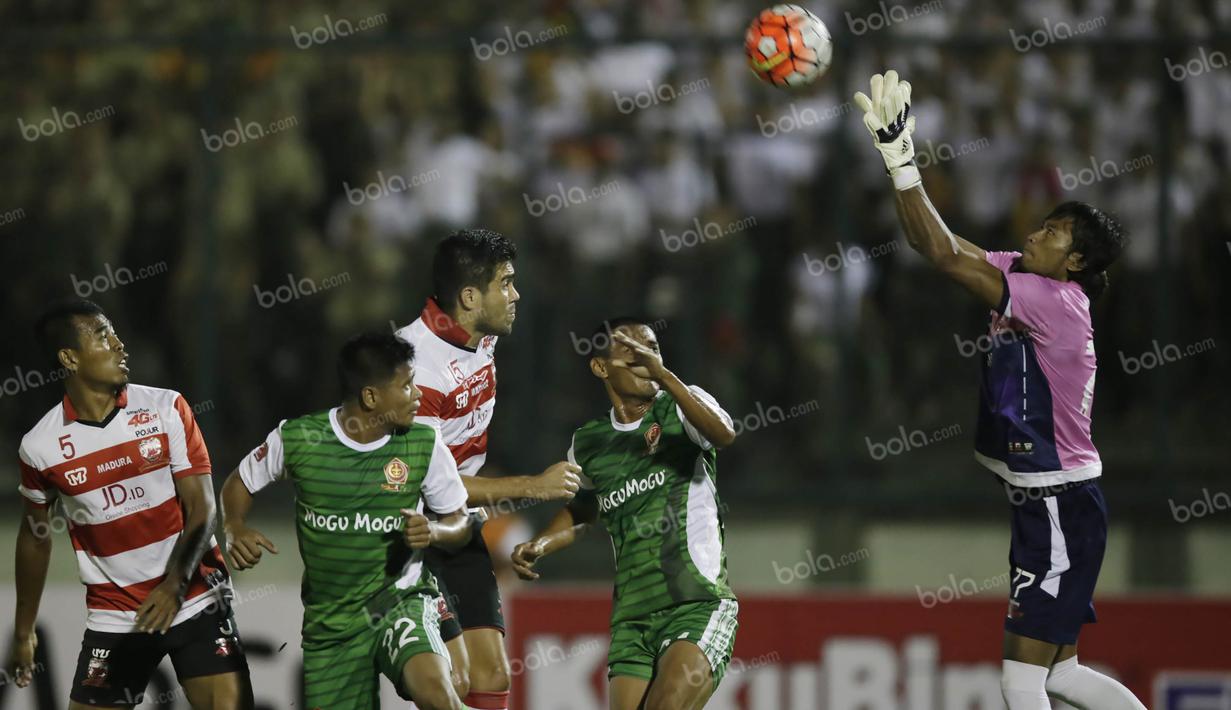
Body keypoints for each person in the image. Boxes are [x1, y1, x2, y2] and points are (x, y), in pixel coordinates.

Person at [854, 70, 1143, 710]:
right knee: (1062, 674)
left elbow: (950, 260)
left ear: (1075, 261)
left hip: (1056, 503)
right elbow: (940, 246)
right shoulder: (1033, 276)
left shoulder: (1054, 301)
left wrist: (903, 162)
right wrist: (899, 162)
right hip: (1052, 502)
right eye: (1044, 224)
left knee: (1020, 680)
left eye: (1055, 233)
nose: (1036, 233)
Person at [10, 298, 253, 709]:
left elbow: (203, 509)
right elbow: (35, 539)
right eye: (104, 336)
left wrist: (174, 583)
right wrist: (23, 632)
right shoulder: (40, 447)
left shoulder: (166, 408)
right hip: (117, 614)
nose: (121, 344)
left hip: (194, 597)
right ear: (69, 358)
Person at [219, 332, 471, 710]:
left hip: (399, 601)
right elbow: (239, 483)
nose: (418, 394)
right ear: (371, 397)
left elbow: (460, 522)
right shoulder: (299, 439)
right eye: (407, 385)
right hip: (331, 623)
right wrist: (234, 527)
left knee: (437, 693)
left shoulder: (424, 443)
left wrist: (435, 530)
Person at [395, 228, 581, 710]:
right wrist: (533, 487)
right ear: (470, 296)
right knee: (451, 682)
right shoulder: (414, 369)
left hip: (459, 527)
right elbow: (431, 484)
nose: (515, 294)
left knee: (493, 672)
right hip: (407, 532)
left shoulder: (479, 336)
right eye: (506, 283)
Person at [511, 319, 739, 710]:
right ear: (601, 368)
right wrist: (540, 543)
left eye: (653, 350)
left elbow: (724, 434)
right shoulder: (588, 443)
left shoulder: (681, 406)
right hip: (632, 616)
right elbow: (583, 510)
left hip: (695, 601)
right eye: (632, 355)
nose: (646, 361)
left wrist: (664, 376)